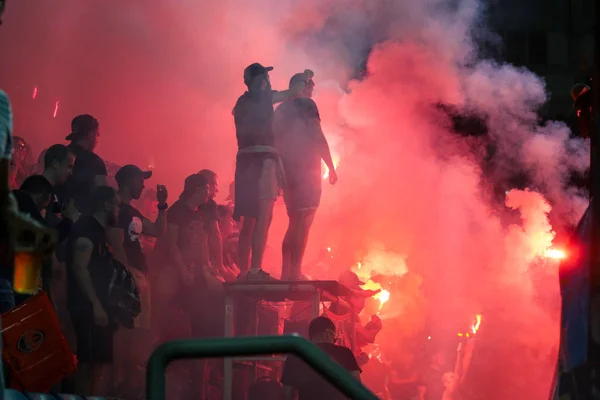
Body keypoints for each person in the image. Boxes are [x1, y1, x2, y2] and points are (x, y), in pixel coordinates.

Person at [232, 63, 312, 280]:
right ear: (259, 80)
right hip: (263, 161)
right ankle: (256, 270)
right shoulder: (265, 98)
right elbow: (294, 92)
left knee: (248, 221)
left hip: (244, 162)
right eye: (265, 77)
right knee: (263, 218)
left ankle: (243, 272)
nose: (268, 80)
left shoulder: (240, 103)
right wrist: (305, 76)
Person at [107, 164, 167, 398]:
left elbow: (158, 231)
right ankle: (118, 383)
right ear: (126, 181)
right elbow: (115, 244)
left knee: (137, 334)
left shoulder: (133, 212)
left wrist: (162, 205)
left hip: (139, 277)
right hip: (127, 276)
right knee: (124, 330)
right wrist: (126, 274)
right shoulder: (115, 209)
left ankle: (130, 385)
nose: (143, 184)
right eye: (140, 180)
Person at [274, 72, 337, 280]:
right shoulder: (307, 106)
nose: (312, 91)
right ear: (301, 87)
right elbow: (317, 135)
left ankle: (287, 273)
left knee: (294, 222)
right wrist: (331, 166)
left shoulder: (280, 109)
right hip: (306, 171)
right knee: (304, 222)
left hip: (288, 171)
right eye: (310, 87)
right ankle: (295, 272)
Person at [66, 186, 119, 396]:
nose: (118, 210)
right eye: (116, 205)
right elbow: (80, 267)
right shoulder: (87, 228)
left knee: (97, 364)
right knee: (86, 365)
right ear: (106, 205)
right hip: (87, 308)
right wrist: (96, 305)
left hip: (100, 308)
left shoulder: (99, 231)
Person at [281, 316, 361, 400]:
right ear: (328, 333)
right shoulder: (345, 353)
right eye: (335, 338)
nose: (334, 341)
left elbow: (287, 392)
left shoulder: (295, 356)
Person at [61, 114, 107, 215]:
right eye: (97, 134)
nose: (97, 139)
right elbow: (103, 196)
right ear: (90, 134)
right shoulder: (95, 161)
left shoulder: (59, 154)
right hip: (81, 222)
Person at [197, 169, 226, 276]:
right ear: (207, 185)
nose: (217, 190)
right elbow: (215, 234)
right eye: (215, 185)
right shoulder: (210, 204)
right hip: (199, 264)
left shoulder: (186, 203)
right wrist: (220, 264)